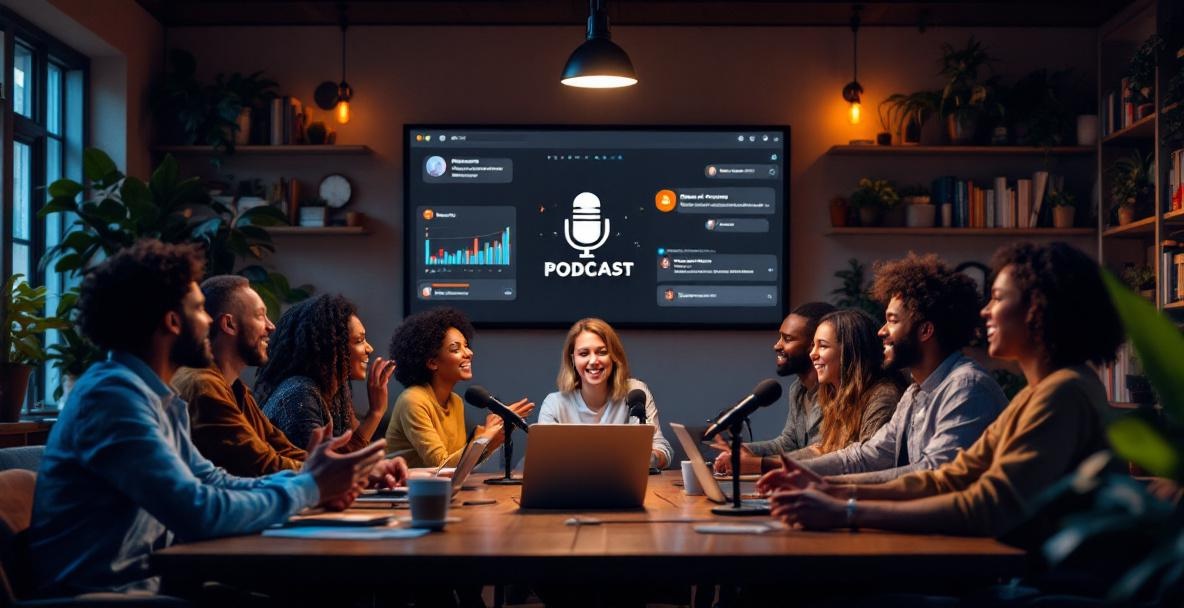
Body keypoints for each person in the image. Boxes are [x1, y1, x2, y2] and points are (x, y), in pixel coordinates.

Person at [28, 240, 383, 595]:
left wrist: (312, 481)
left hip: (154, 584)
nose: (210, 321)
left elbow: (213, 481)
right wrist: (311, 486)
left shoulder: (156, 397)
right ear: (172, 322)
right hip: (106, 596)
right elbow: (198, 512)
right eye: (200, 309)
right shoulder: (112, 398)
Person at [762, 242, 1125, 538]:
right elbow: (951, 475)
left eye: (998, 298)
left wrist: (845, 509)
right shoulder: (1036, 393)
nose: (986, 312)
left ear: (1036, 310)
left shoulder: (1056, 393)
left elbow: (983, 504)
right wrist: (832, 490)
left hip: (1033, 584)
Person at [777, 254, 1008, 483]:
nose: (882, 331)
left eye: (893, 321)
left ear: (925, 331)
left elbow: (933, 473)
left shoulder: (966, 387)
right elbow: (870, 454)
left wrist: (830, 485)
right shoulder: (915, 392)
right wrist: (795, 472)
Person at [174, 276, 407, 486]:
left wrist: (358, 469)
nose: (270, 326)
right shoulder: (203, 386)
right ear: (229, 324)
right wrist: (353, 472)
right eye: (259, 315)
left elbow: (285, 451)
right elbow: (262, 464)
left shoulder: (236, 390)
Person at [385, 307, 534, 468]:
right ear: (432, 362)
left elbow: (460, 467)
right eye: (455, 349)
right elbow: (442, 467)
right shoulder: (413, 400)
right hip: (401, 491)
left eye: (466, 345)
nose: (468, 353)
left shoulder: (456, 402)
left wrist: (494, 437)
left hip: (438, 491)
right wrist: (486, 437)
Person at [257, 294, 396, 454]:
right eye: (359, 341)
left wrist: (376, 411)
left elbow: (353, 451)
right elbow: (328, 469)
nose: (369, 348)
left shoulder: (336, 389)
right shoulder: (299, 393)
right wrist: (376, 413)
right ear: (329, 348)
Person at [713, 302, 836, 475]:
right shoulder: (797, 390)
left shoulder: (837, 392)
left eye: (787, 339)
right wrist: (744, 450)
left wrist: (758, 463)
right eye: (780, 337)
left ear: (814, 345)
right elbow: (788, 443)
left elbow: (823, 451)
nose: (777, 345)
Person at [538, 318, 673, 469]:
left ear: (614, 356)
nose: (593, 360)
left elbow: (662, 449)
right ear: (573, 359)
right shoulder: (555, 404)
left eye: (602, 352)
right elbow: (545, 462)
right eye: (584, 354)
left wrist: (650, 458)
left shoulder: (635, 391)